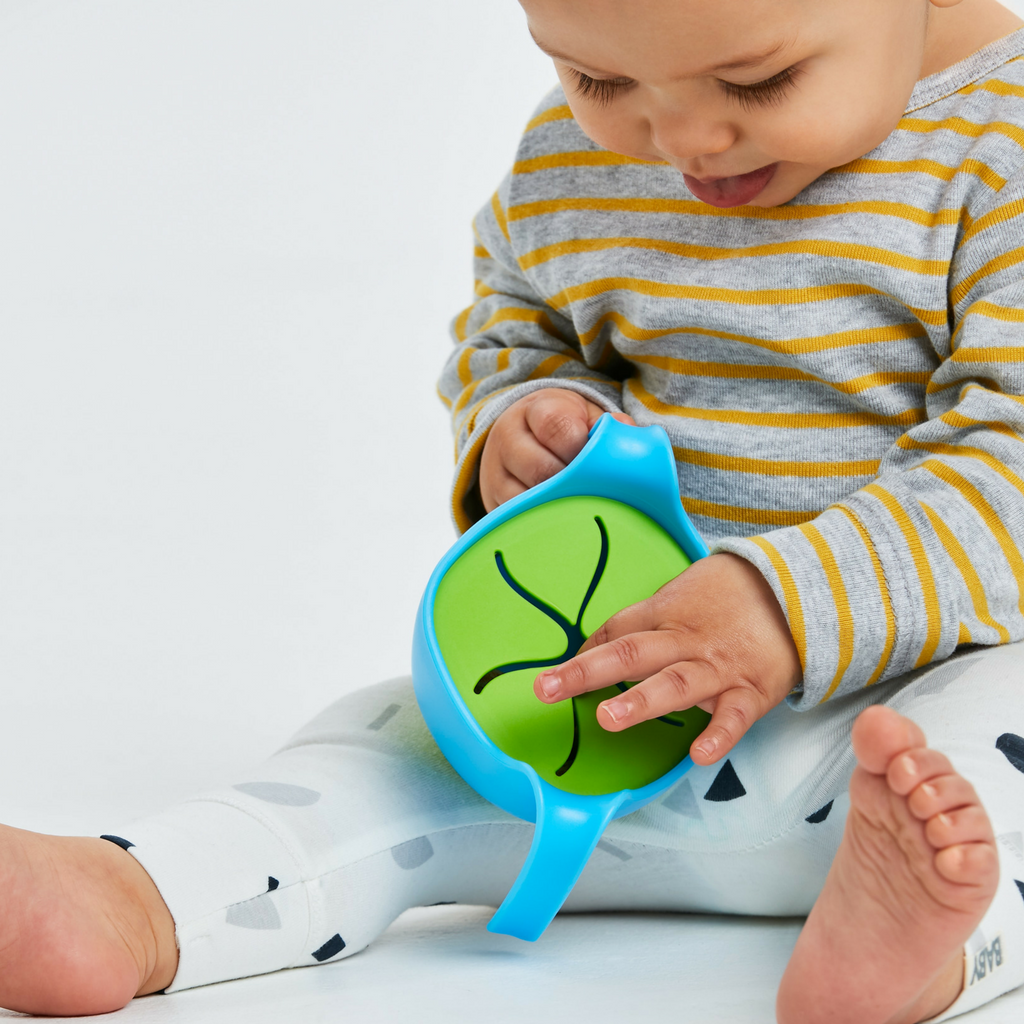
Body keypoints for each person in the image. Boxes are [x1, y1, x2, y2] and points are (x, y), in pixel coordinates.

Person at [1, 0, 1023, 1021]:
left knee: (994, 764)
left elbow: (1009, 459)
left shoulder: (999, 141)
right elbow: (516, 331)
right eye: (598, 80)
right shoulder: (579, 157)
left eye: (757, 84)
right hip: (603, 720)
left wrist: (780, 606)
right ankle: (143, 896)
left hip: (900, 724)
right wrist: (523, 426)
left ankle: (920, 950)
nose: (680, 140)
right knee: (378, 744)